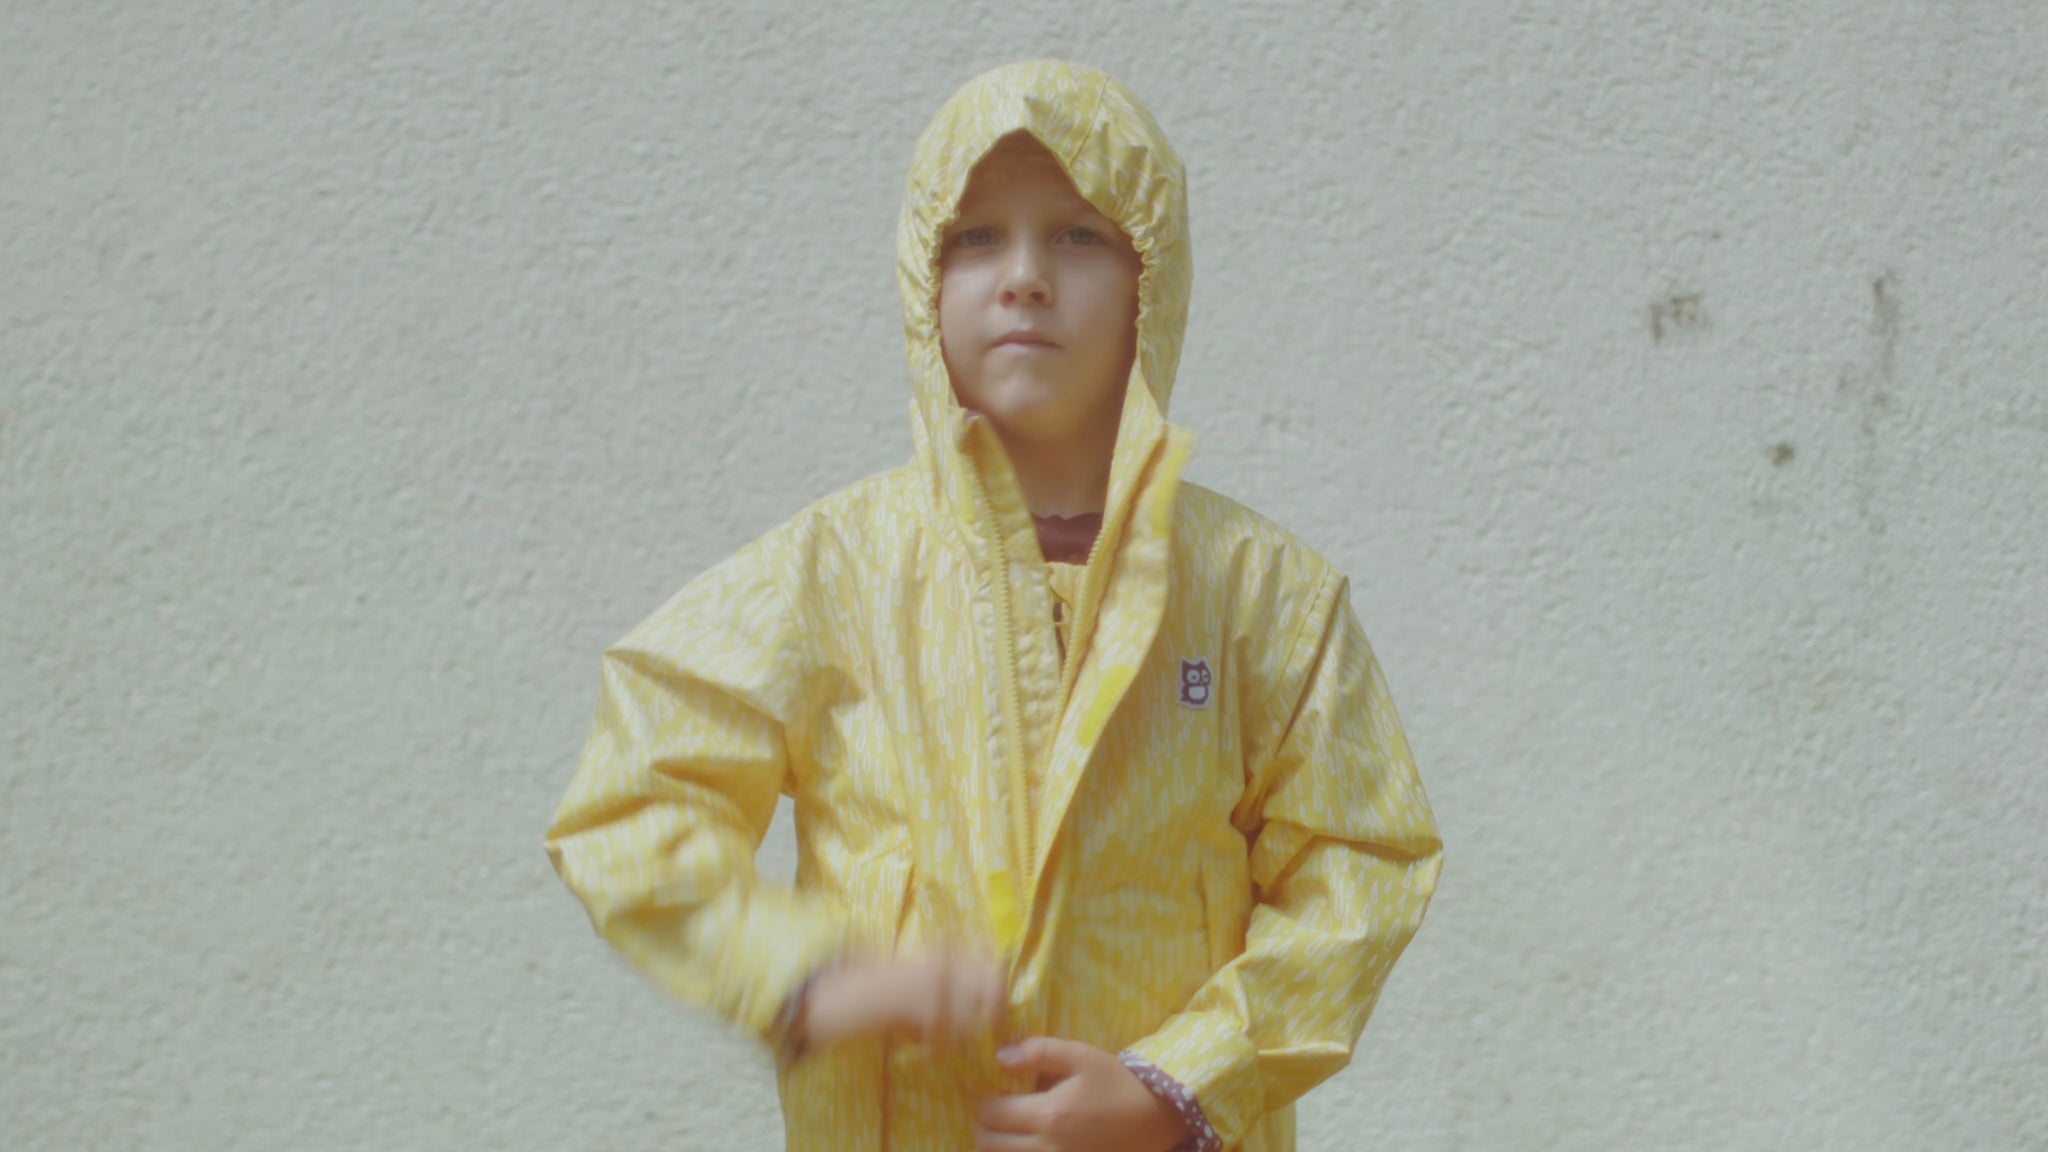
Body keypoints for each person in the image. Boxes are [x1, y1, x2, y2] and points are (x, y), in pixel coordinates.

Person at [545, 58, 1442, 1152]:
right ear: (923, 281)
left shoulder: (1260, 593)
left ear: (1152, 282)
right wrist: (806, 975)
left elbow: (1361, 862)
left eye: (1078, 235)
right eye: (976, 238)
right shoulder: (831, 574)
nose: (1024, 277)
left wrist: (1183, 1084)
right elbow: (630, 803)